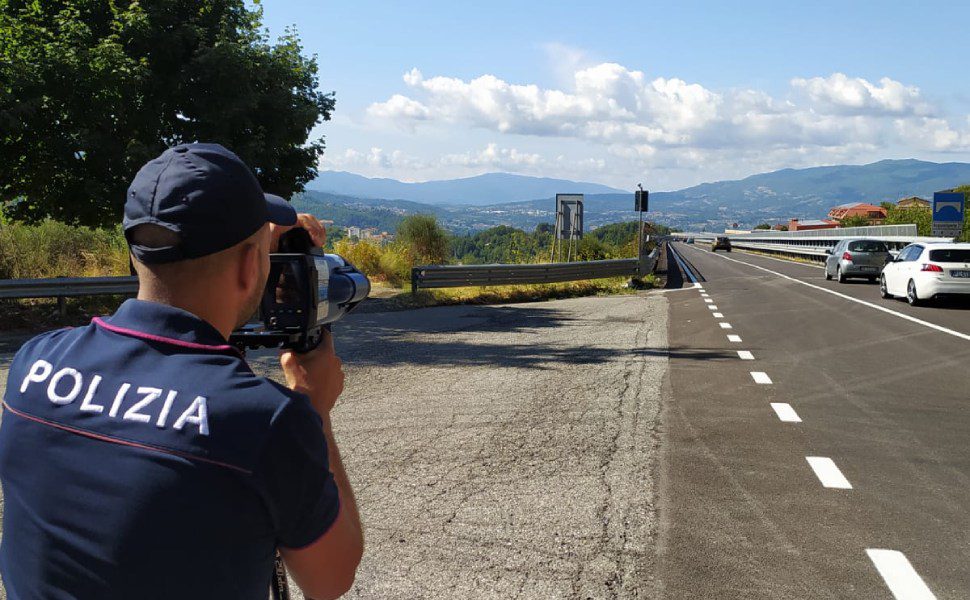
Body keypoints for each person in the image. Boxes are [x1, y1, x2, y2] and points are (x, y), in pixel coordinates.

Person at [0, 143, 363, 599]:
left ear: (135, 252)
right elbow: (330, 581)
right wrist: (317, 411)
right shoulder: (266, 421)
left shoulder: (36, 363)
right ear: (253, 266)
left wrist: (247, 246)